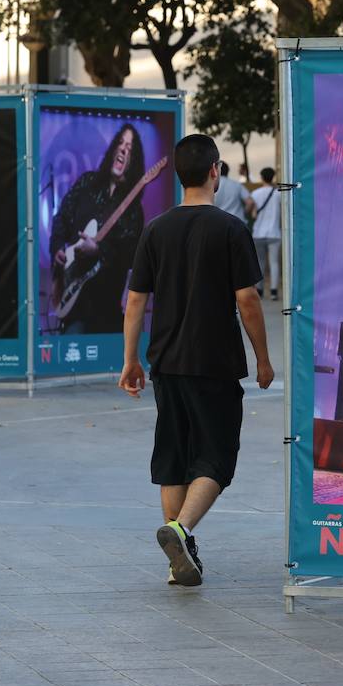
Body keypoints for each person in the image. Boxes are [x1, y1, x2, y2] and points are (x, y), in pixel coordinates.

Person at [118, 134, 273, 587]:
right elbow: (247, 300)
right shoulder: (230, 229)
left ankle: (179, 556)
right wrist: (262, 358)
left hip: (166, 363)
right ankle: (181, 531)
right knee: (216, 457)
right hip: (215, 363)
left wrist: (131, 361)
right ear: (215, 172)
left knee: (175, 457)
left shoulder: (155, 229)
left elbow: (135, 302)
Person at [49, 123, 146, 333]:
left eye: (130, 148)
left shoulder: (133, 210)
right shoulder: (87, 183)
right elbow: (62, 218)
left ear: (134, 161)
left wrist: (99, 251)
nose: (123, 149)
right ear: (112, 149)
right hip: (74, 301)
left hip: (106, 309)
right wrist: (57, 248)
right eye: (121, 143)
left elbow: (130, 256)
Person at [250, 167, 281, 301]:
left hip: (258, 233)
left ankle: (260, 290)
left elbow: (252, 213)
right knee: (274, 263)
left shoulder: (255, 194)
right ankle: (274, 291)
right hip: (274, 233)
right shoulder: (278, 193)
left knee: (260, 262)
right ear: (273, 177)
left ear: (262, 177)